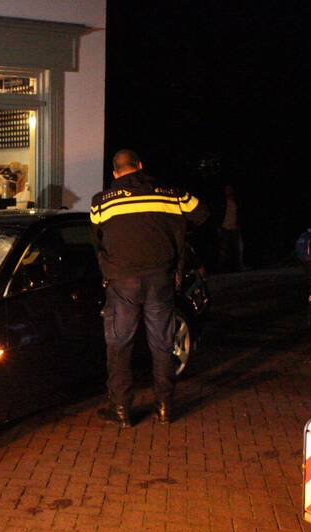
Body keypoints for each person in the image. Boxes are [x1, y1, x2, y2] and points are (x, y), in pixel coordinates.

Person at [90, 149, 208, 425]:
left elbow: (96, 233)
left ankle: (120, 410)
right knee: (162, 343)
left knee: (119, 344)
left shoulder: (102, 202)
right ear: (140, 166)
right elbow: (202, 214)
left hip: (122, 282)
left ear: (115, 173)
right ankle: (165, 408)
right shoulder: (172, 194)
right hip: (160, 279)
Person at [217, 184, 244, 272]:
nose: (227, 191)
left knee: (238, 248)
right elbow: (219, 214)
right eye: (226, 189)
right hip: (225, 227)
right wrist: (219, 227)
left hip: (234, 228)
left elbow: (238, 213)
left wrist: (238, 224)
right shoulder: (222, 202)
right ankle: (221, 269)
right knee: (223, 250)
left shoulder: (235, 201)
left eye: (229, 189)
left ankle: (239, 267)